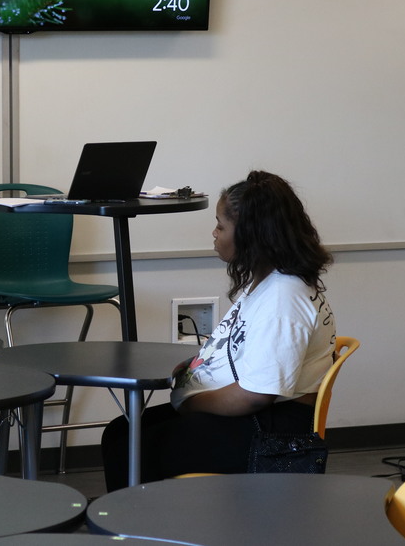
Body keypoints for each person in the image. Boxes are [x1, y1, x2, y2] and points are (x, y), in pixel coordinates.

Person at [101, 170, 336, 491]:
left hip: (272, 431)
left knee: (133, 444)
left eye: (221, 225)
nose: (214, 233)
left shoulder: (283, 300)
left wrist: (191, 401)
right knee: (121, 432)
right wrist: (190, 374)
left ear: (252, 235)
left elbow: (255, 396)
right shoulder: (271, 280)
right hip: (261, 415)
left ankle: (139, 527)